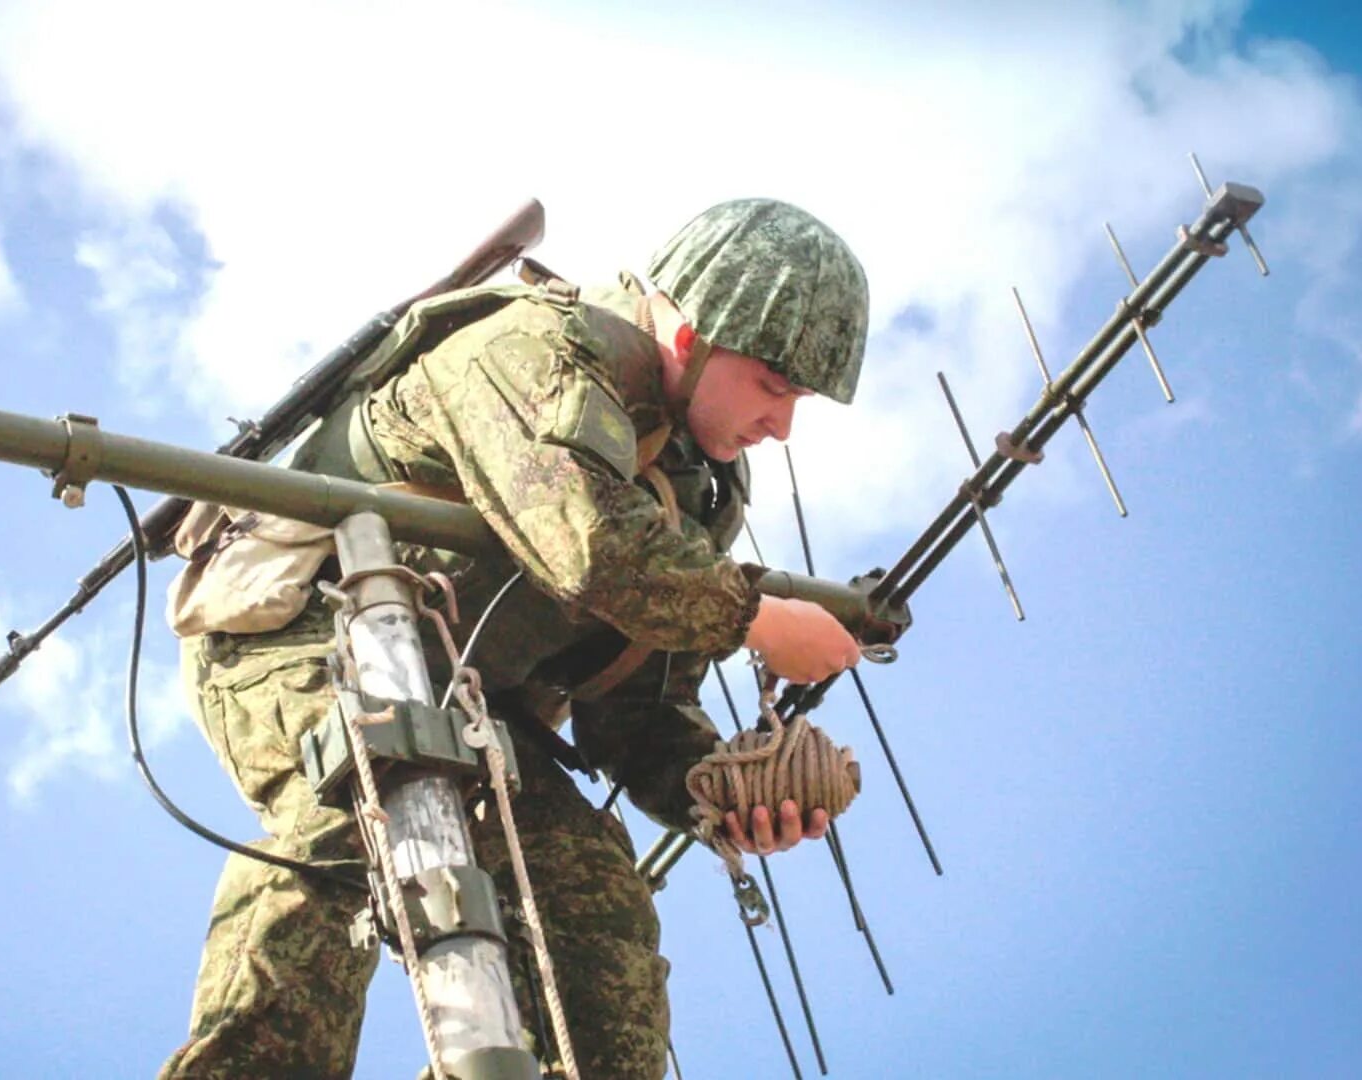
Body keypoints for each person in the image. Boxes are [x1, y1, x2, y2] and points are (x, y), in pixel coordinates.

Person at [159, 198, 870, 1078]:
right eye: (774, 385)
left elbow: (633, 704)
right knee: (358, 799)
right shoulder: (530, 351)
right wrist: (753, 617)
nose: (783, 424)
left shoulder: (695, 490)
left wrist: (716, 788)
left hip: (468, 704)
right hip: (303, 634)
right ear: (694, 337)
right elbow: (592, 547)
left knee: (592, 899)